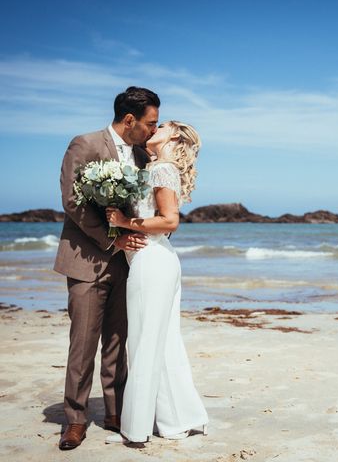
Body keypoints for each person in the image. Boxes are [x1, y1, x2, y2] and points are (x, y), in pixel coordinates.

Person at [54, 87, 159, 450]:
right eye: (150, 123)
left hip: (129, 263)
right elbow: (73, 202)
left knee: (118, 340)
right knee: (83, 342)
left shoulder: (145, 156)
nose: (152, 131)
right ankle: (75, 419)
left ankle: (116, 411)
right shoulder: (85, 144)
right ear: (129, 119)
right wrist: (111, 240)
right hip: (87, 259)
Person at [104, 120, 209, 444]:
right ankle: (180, 418)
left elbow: (169, 221)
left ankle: (136, 430)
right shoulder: (155, 167)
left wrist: (123, 221)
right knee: (163, 343)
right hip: (157, 260)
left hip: (152, 262)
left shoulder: (162, 168)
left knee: (145, 343)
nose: (155, 128)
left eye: (162, 125)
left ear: (174, 135)